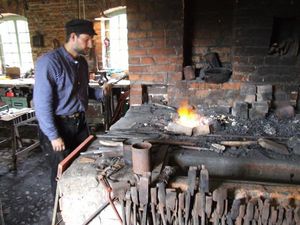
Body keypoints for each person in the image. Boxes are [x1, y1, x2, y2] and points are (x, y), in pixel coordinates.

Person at [33, 19, 111, 197]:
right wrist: (54, 136)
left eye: (92, 39)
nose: (90, 44)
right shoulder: (49, 63)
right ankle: (59, 212)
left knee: (82, 164)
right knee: (61, 172)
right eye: (87, 39)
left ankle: (78, 203)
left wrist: (100, 93)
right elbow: (42, 104)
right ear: (73, 37)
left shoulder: (81, 63)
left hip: (80, 123)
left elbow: (82, 91)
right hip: (59, 127)